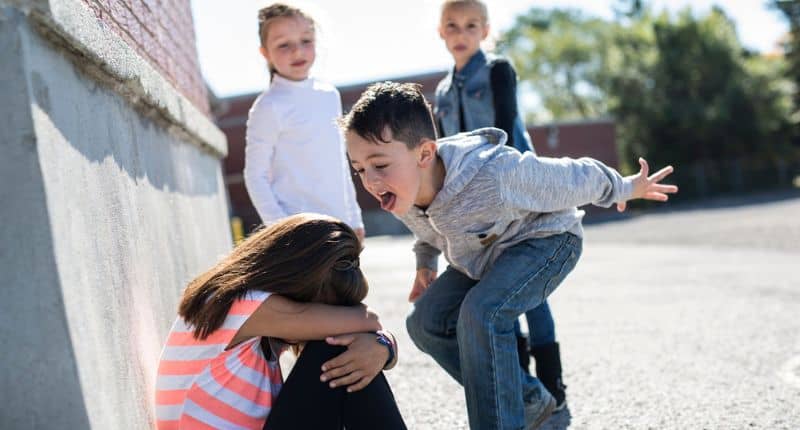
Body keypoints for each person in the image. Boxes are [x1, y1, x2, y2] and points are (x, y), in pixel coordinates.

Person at [341, 82, 677, 430]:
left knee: (481, 313)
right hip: (483, 256)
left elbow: (574, 176)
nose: (369, 180)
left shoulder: (494, 174)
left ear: (425, 154)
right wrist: (425, 264)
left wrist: (624, 187)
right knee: (424, 323)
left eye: (379, 164)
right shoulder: (400, 188)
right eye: (359, 168)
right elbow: (425, 229)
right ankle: (528, 400)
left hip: (546, 241)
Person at [154, 214, 407, 429]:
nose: (325, 318)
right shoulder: (241, 303)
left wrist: (383, 346)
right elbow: (368, 320)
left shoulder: (254, 317)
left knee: (349, 352)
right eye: (322, 309)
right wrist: (382, 343)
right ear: (298, 279)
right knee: (335, 347)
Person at [433, 0, 564, 409]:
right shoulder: (440, 91)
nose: (461, 33)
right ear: (441, 32)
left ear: (485, 31)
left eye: (471, 26)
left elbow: (507, 128)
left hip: (516, 193)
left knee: (531, 291)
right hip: (472, 205)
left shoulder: (497, 71)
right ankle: (523, 385)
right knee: (494, 287)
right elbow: (443, 150)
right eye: (452, 26)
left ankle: (552, 384)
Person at [244, 3, 364, 242]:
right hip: (299, 234)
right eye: (283, 45)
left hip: (340, 226)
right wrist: (282, 229)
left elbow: (339, 164)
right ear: (265, 53)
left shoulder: (329, 95)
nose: (297, 52)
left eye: (306, 41)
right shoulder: (268, 106)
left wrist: (355, 218)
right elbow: (255, 176)